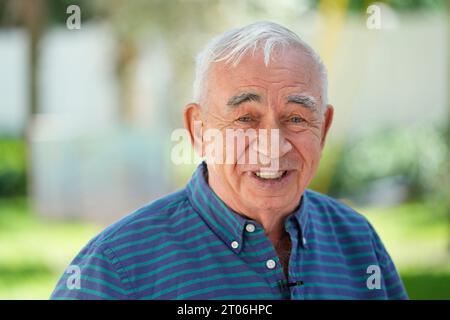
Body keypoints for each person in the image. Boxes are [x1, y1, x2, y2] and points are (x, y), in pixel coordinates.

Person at [51, 21, 408, 300]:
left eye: (297, 118)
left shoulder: (358, 241)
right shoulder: (117, 266)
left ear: (324, 128)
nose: (272, 147)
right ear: (198, 129)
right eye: (245, 119)